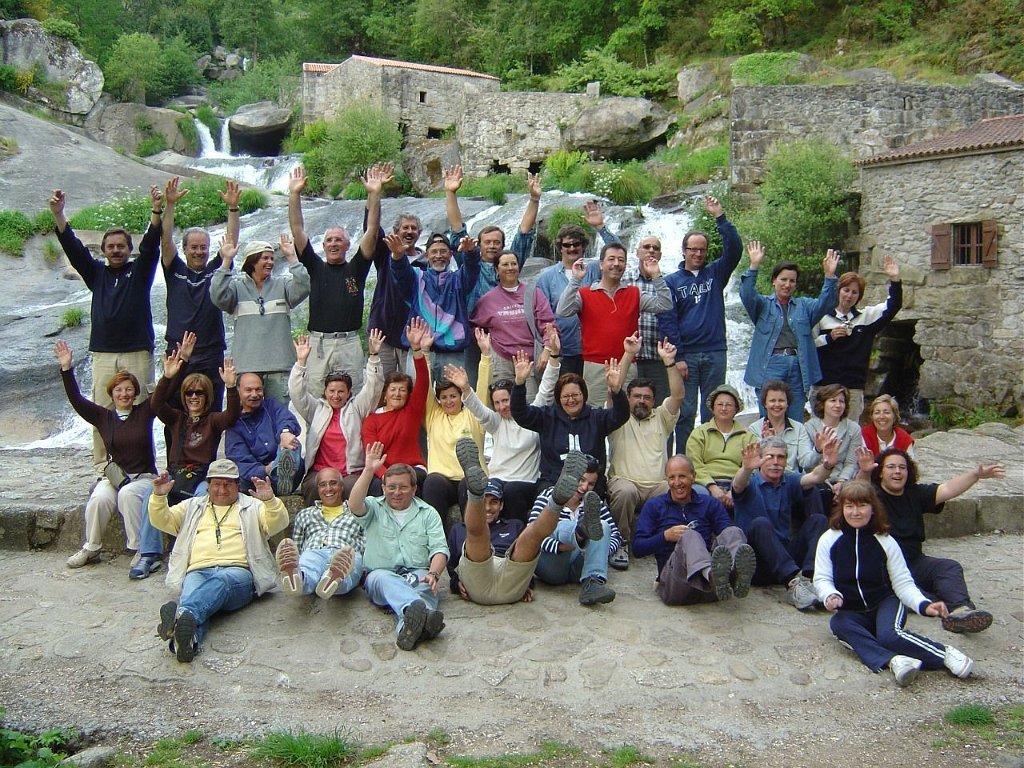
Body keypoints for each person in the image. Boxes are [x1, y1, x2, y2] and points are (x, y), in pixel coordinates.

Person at [813, 481, 973, 687]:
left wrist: (924, 605)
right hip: (851, 608)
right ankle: (895, 661)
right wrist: (830, 595)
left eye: (862, 506)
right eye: (849, 506)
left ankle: (944, 654)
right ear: (841, 509)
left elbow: (903, 583)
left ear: (873, 509)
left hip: (885, 603)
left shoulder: (885, 541)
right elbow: (822, 578)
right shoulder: (828, 540)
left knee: (889, 636)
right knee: (838, 624)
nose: (855, 512)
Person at [50, 187, 162, 468]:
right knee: (101, 411)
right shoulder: (96, 273)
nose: (116, 250)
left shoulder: (140, 271)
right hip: (103, 354)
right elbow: (73, 249)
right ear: (103, 250)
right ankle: (103, 467)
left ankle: (143, 466)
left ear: (129, 249)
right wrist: (59, 214)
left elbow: (151, 246)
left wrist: (156, 210)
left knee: (140, 411)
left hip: (137, 352)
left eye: (121, 246)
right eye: (110, 246)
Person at [149, 459, 288, 663]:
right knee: (197, 606)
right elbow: (162, 521)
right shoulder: (192, 506)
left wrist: (270, 501)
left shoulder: (252, 506)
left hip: (238, 574)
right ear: (208, 485)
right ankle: (185, 643)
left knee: (216, 585)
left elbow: (277, 524)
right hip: (197, 570)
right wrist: (159, 497)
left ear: (237, 485)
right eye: (216, 484)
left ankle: (180, 618)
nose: (222, 490)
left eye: (228, 484)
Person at [863, 447, 1003, 633]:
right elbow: (859, 493)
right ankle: (943, 607)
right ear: (880, 472)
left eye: (902, 467)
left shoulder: (915, 493)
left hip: (915, 561)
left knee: (948, 567)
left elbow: (947, 489)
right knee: (909, 593)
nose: (897, 471)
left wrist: (975, 474)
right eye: (891, 467)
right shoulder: (872, 495)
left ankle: (961, 610)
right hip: (885, 567)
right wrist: (865, 472)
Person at [56, 340, 163, 576]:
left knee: (127, 494)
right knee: (99, 498)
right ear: (112, 394)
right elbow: (76, 399)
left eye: (128, 389)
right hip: (115, 477)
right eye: (119, 390)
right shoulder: (103, 417)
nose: (124, 394)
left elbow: (163, 393)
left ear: (135, 393)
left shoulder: (145, 412)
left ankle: (140, 549)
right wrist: (66, 369)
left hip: (143, 477)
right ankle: (91, 548)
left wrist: (174, 370)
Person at [450, 440, 594, 605]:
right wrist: (456, 584)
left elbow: (528, 558)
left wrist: (527, 583)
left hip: (511, 581)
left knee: (532, 536)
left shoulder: (514, 525)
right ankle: (475, 492)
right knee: (477, 534)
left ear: (501, 505)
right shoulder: (458, 529)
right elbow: (451, 565)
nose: (488, 508)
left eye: (494, 502)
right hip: (478, 581)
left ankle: (557, 500)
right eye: (484, 502)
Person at [287, 163, 387, 394]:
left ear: (347, 245)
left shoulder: (357, 268)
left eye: (338, 240)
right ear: (323, 246)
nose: (333, 243)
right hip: (318, 343)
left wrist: (374, 194)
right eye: (329, 240)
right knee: (315, 396)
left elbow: (372, 230)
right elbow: (297, 229)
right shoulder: (313, 266)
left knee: (353, 397)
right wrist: (294, 194)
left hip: (349, 343)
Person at [658, 194, 743, 452]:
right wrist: (679, 357)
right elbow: (668, 320)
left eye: (702, 250)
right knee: (685, 412)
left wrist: (720, 218)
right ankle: (683, 458)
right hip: (688, 356)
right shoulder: (671, 281)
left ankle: (710, 457)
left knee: (714, 410)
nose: (697, 253)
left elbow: (735, 250)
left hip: (715, 351)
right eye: (693, 249)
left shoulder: (715, 273)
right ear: (684, 251)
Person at [443, 165, 542, 386]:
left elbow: (524, 233)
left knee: (501, 388)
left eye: (497, 242)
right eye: (487, 242)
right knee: (472, 385)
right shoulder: (469, 262)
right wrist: (450, 193)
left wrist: (534, 199)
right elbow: (458, 230)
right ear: (478, 245)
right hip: (472, 335)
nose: (492, 246)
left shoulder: (509, 264)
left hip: (505, 335)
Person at [348, 443, 449, 651]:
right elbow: (354, 504)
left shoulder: (428, 513)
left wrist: (433, 574)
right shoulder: (374, 507)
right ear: (383, 488)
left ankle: (409, 628)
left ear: (414, 489)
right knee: (383, 579)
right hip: (382, 575)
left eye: (403, 487)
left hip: (417, 573)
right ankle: (424, 616)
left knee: (426, 585)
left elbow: (439, 549)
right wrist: (369, 470)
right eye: (391, 487)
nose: (396, 492)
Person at [461, 328, 563, 524]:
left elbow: (547, 388)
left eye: (506, 400)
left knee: (511, 490)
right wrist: (465, 388)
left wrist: (554, 356)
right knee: (469, 484)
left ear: (515, 398)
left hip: (524, 482)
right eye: (497, 403)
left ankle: (515, 533)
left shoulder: (533, 416)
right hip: (496, 480)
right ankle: (470, 531)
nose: (502, 407)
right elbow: (478, 409)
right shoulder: (496, 422)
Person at [159, 177, 239, 418]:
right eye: (193, 247)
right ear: (184, 249)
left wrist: (232, 208)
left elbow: (231, 243)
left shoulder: (216, 270)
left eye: (203, 247)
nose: (199, 252)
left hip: (210, 353)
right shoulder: (174, 269)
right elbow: (165, 240)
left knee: (211, 413)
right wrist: (170, 205)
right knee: (175, 412)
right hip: (177, 352)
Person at [556, 241, 672, 407]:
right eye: (611, 259)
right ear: (601, 264)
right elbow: (562, 310)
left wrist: (656, 276)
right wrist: (575, 280)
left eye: (621, 260)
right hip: (595, 367)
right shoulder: (585, 294)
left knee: (626, 413)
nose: (616, 264)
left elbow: (665, 305)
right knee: (597, 413)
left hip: (627, 365)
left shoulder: (634, 293)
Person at [605, 335, 685, 570]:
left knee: (673, 488)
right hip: (624, 482)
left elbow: (678, 396)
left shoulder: (662, 417)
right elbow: (614, 387)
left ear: (653, 401)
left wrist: (669, 362)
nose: (641, 401)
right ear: (628, 398)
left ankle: (668, 545)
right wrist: (629, 354)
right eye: (637, 397)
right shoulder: (617, 417)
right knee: (625, 491)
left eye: (647, 398)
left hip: (656, 486)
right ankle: (620, 542)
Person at [731, 437, 839, 610]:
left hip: (785, 557)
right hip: (755, 563)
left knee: (818, 520)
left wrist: (827, 465)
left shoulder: (788, 480)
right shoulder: (750, 480)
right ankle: (793, 584)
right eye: (770, 457)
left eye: (780, 457)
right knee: (760, 523)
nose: (775, 462)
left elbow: (815, 477)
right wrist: (746, 468)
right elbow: (738, 485)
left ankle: (809, 579)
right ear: (760, 459)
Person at [633, 455, 757, 605]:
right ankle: (711, 576)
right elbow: (638, 548)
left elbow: (727, 533)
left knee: (733, 531)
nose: (677, 483)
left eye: (682, 476)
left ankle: (735, 574)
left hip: (710, 591)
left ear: (693, 477)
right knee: (690, 536)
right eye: (672, 478)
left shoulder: (709, 504)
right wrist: (665, 536)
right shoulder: (654, 506)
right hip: (676, 584)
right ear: (667, 480)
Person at [740, 241, 839, 421]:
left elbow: (827, 303)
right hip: (770, 364)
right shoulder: (762, 305)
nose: (787, 284)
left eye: (792, 281)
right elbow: (746, 294)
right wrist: (754, 265)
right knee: (768, 419)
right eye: (783, 279)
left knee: (795, 419)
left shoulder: (805, 306)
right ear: (774, 281)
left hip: (798, 366)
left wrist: (829, 276)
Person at [210, 234, 310, 405]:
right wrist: (226, 261)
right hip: (246, 368)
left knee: (278, 416)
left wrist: (292, 257)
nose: (270, 262)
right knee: (246, 417)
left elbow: (304, 286)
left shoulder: (283, 285)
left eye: (272, 258)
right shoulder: (236, 288)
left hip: (279, 367)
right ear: (252, 261)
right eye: (265, 258)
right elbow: (216, 295)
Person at [289, 329, 386, 505]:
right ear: (325, 392)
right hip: (320, 471)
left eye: (341, 391)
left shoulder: (357, 408)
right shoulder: (316, 409)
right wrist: (301, 362)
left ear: (349, 393)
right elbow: (297, 393)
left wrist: (373, 357)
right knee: (313, 487)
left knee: (351, 488)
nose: (336, 395)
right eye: (332, 391)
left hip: (350, 473)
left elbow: (374, 388)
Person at [510, 356, 629, 496]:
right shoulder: (547, 417)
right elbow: (520, 413)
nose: (571, 400)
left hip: (590, 486)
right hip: (553, 483)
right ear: (558, 399)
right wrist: (519, 383)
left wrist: (616, 390)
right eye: (566, 396)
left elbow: (621, 416)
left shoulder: (597, 418)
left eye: (575, 395)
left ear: (584, 395)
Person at [150, 331, 240, 505]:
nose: (194, 397)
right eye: (189, 393)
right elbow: (156, 405)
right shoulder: (177, 418)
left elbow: (232, 416)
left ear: (207, 396)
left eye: (199, 393)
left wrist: (230, 387)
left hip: (200, 478)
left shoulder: (213, 420)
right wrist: (168, 377)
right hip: (175, 474)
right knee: (151, 495)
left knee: (201, 499)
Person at [534, 201, 622, 376]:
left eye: (576, 244)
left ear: (583, 246)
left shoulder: (596, 269)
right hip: (562, 350)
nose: (572, 248)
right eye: (567, 245)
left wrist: (600, 227)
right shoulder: (546, 278)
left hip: (594, 348)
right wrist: (548, 346)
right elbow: (543, 316)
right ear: (560, 248)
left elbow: (617, 253)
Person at [812, 255, 902, 423]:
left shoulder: (866, 318)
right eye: (846, 290)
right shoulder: (821, 316)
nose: (849, 296)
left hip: (852, 387)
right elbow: (808, 345)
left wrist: (895, 279)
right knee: (820, 430)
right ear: (838, 291)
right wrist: (829, 338)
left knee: (851, 431)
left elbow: (892, 306)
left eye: (855, 292)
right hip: (824, 385)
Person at [529, 456, 623, 606]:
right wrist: (561, 547)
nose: (584, 487)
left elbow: (616, 536)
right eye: (581, 480)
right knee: (559, 526)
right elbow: (531, 537)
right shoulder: (548, 497)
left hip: (581, 565)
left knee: (603, 525)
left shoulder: (594, 502)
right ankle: (580, 531)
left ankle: (592, 584)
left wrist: (597, 551)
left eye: (591, 484)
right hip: (552, 564)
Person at [470, 249, 555, 401]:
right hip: (501, 360)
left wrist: (547, 349)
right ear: (496, 269)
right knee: (503, 405)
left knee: (531, 405)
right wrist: (486, 346)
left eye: (513, 264)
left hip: (529, 359)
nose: (510, 268)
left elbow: (548, 324)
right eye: (505, 264)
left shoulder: (534, 293)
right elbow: (474, 325)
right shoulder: (487, 300)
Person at [360, 319, 433, 492]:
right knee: (374, 486)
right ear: (385, 394)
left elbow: (423, 380)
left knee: (410, 482)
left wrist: (417, 349)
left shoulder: (412, 410)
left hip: (412, 469)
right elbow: (372, 456)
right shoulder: (372, 420)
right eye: (393, 389)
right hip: (384, 471)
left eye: (402, 390)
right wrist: (386, 477)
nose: (397, 394)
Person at [273, 468, 365, 600]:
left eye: (333, 483)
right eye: (323, 485)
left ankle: (335, 581)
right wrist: (295, 560)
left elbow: (365, 543)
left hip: (345, 554)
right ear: (318, 489)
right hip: (315, 551)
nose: (328, 488)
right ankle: (299, 578)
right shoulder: (305, 514)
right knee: (308, 563)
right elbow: (297, 546)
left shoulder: (356, 512)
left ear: (342, 486)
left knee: (353, 564)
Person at [225, 372, 302, 496]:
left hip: (286, 468)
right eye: (248, 390)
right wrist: (265, 470)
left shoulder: (272, 406)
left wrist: (285, 432)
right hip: (255, 480)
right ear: (238, 391)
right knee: (238, 473)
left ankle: (282, 474)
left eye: (258, 389)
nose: (254, 394)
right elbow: (239, 460)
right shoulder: (233, 423)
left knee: (292, 444)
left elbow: (286, 419)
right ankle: (278, 474)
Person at [686, 384, 757, 511]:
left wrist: (735, 489)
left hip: (738, 483)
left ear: (736, 409)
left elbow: (753, 468)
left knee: (753, 493)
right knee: (698, 493)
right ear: (713, 408)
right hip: (705, 484)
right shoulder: (699, 433)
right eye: (720, 404)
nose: (724, 408)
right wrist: (712, 487)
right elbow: (694, 464)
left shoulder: (747, 436)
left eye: (728, 405)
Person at [367, 213, 422, 375]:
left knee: (413, 384)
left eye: (414, 228)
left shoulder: (427, 262)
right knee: (379, 383)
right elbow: (372, 228)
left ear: (419, 233)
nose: (410, 231)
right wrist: (374, 198)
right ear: (396, 231)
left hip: (411, 337)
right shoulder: (385, 255)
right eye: (405, 227)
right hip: (381, 334)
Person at [802, 384, 861, 507]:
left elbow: (851, 463)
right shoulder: (809, 427)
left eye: (842, 401)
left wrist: (841, 482)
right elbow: (806, 464)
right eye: (833, 400)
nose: (838, 405)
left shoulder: (853, 428)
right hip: (817, 479)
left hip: (843, 479)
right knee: (821, 494)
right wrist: (818, 450)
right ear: (822, 404)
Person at [747, 379, 817, 472]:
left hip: (792, 478)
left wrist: (818, 450)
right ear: (765, 404)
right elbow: (755, 466)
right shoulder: (754, 429)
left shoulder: (799, 428)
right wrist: (767, 444)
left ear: (787, 403)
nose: (777, 404)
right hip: (766, 477)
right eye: (772, 401)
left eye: (781, 400)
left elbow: (806, 463)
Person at [861, 394, 915, 459]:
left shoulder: (904, 439)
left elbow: (911, 464)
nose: (881, 417)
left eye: (886, 412)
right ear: (872, 417)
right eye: (877, 413)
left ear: (895, 416)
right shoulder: (863, 435)